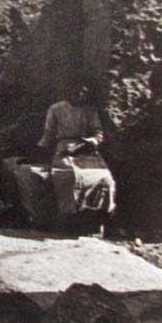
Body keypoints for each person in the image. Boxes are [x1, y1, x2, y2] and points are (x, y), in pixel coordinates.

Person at [38, 81, 116, 226]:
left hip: (87, 148)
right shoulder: (56, 109)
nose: (79, 94)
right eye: (75, 90)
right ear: (67, 91)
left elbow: (98, 133)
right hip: (64, 148)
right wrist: (41, 151)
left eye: (82, 91)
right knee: (68, 176)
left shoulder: (89, 110)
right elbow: (48, 134)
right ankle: (69, 217)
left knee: (105, 178)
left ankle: (98, 215)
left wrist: (91, 141)